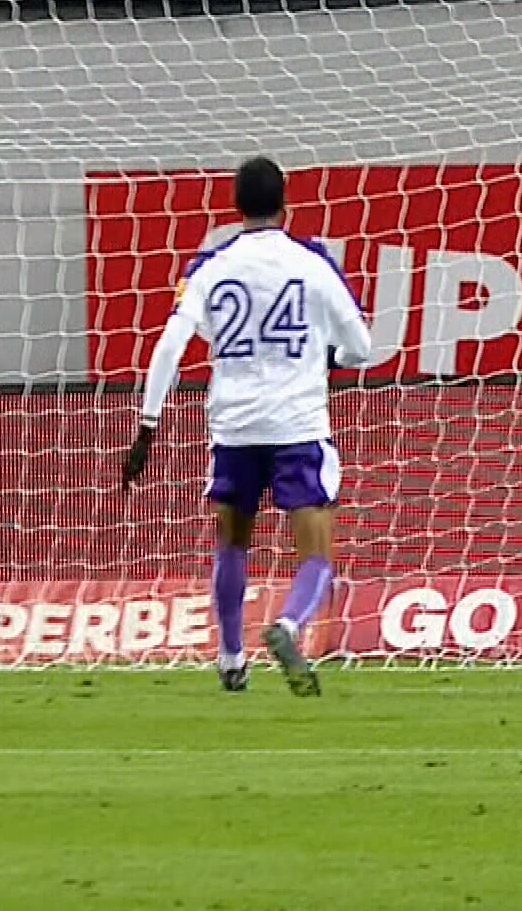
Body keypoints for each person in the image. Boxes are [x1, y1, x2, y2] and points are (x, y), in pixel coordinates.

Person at [121, 157, 372, 695]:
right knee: (317, 549)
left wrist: (147, 425)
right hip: (297, 424)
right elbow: (361, 347)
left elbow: (169, 346)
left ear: (236, 207)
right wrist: (326, 357)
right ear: (287, 205)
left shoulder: (209, 267)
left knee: (232, 542)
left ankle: (232, 658)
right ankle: (286, 625)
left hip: (233, 426)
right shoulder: (312, 263)